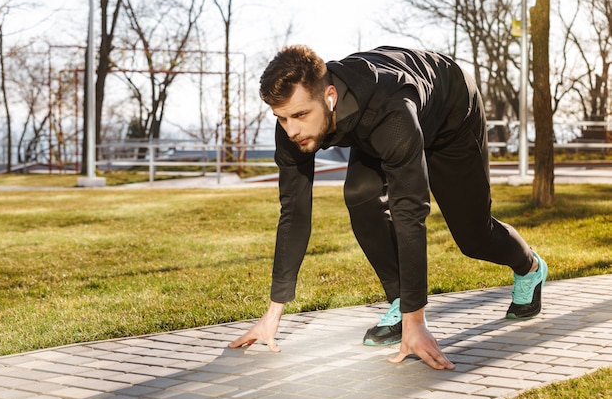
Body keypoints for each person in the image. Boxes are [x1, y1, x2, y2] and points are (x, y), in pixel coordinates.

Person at [228, 45, 548, 370]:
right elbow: (294, 212)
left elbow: (410, 210)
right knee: (360, 194)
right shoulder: (293, 126)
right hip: (374, 128)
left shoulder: (390, 111)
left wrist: (417, 322)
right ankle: (400, 302)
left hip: (450, 112)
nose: (290, 129)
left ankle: (530, 268)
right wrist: (272, 314)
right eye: (280, 118)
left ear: (329, 97)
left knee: (474, 236)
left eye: (299, 116)